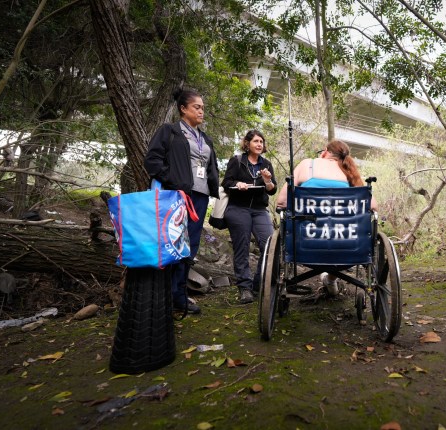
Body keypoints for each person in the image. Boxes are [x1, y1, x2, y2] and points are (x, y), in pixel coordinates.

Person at [144, 88, 220, 314]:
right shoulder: (170, 131)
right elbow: (152, 162)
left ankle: (179, 295)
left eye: (203, 108)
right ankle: (162, 296)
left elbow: (208, 168)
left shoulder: (205, 138)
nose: (201, 111)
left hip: (200, 197)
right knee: (171, 243)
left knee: (190, 246)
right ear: (183, 109)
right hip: (176, 196)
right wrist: (174, 182)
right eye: (197, 107)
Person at [276, 139, 378, 296]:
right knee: (338, 234)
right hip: (346, 245)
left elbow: (282, 202)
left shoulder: (307, 164)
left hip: (305, 244)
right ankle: (331, 280)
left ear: (325, 152)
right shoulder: (349, 172)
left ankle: (327, 281)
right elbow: (373, 207)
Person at [222, 130, 277, 304]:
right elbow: (226, 183)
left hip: (260, 210)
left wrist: (267, 180)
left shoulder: (266, 164)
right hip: (239, 208)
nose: (259, 144)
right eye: (255, 141)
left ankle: (258, 282)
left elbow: (272, 189)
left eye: (261, 141)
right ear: (247, 144)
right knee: (242, 247)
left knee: (269, 245)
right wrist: (236, 184)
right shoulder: (237, 161)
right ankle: (244, 288)